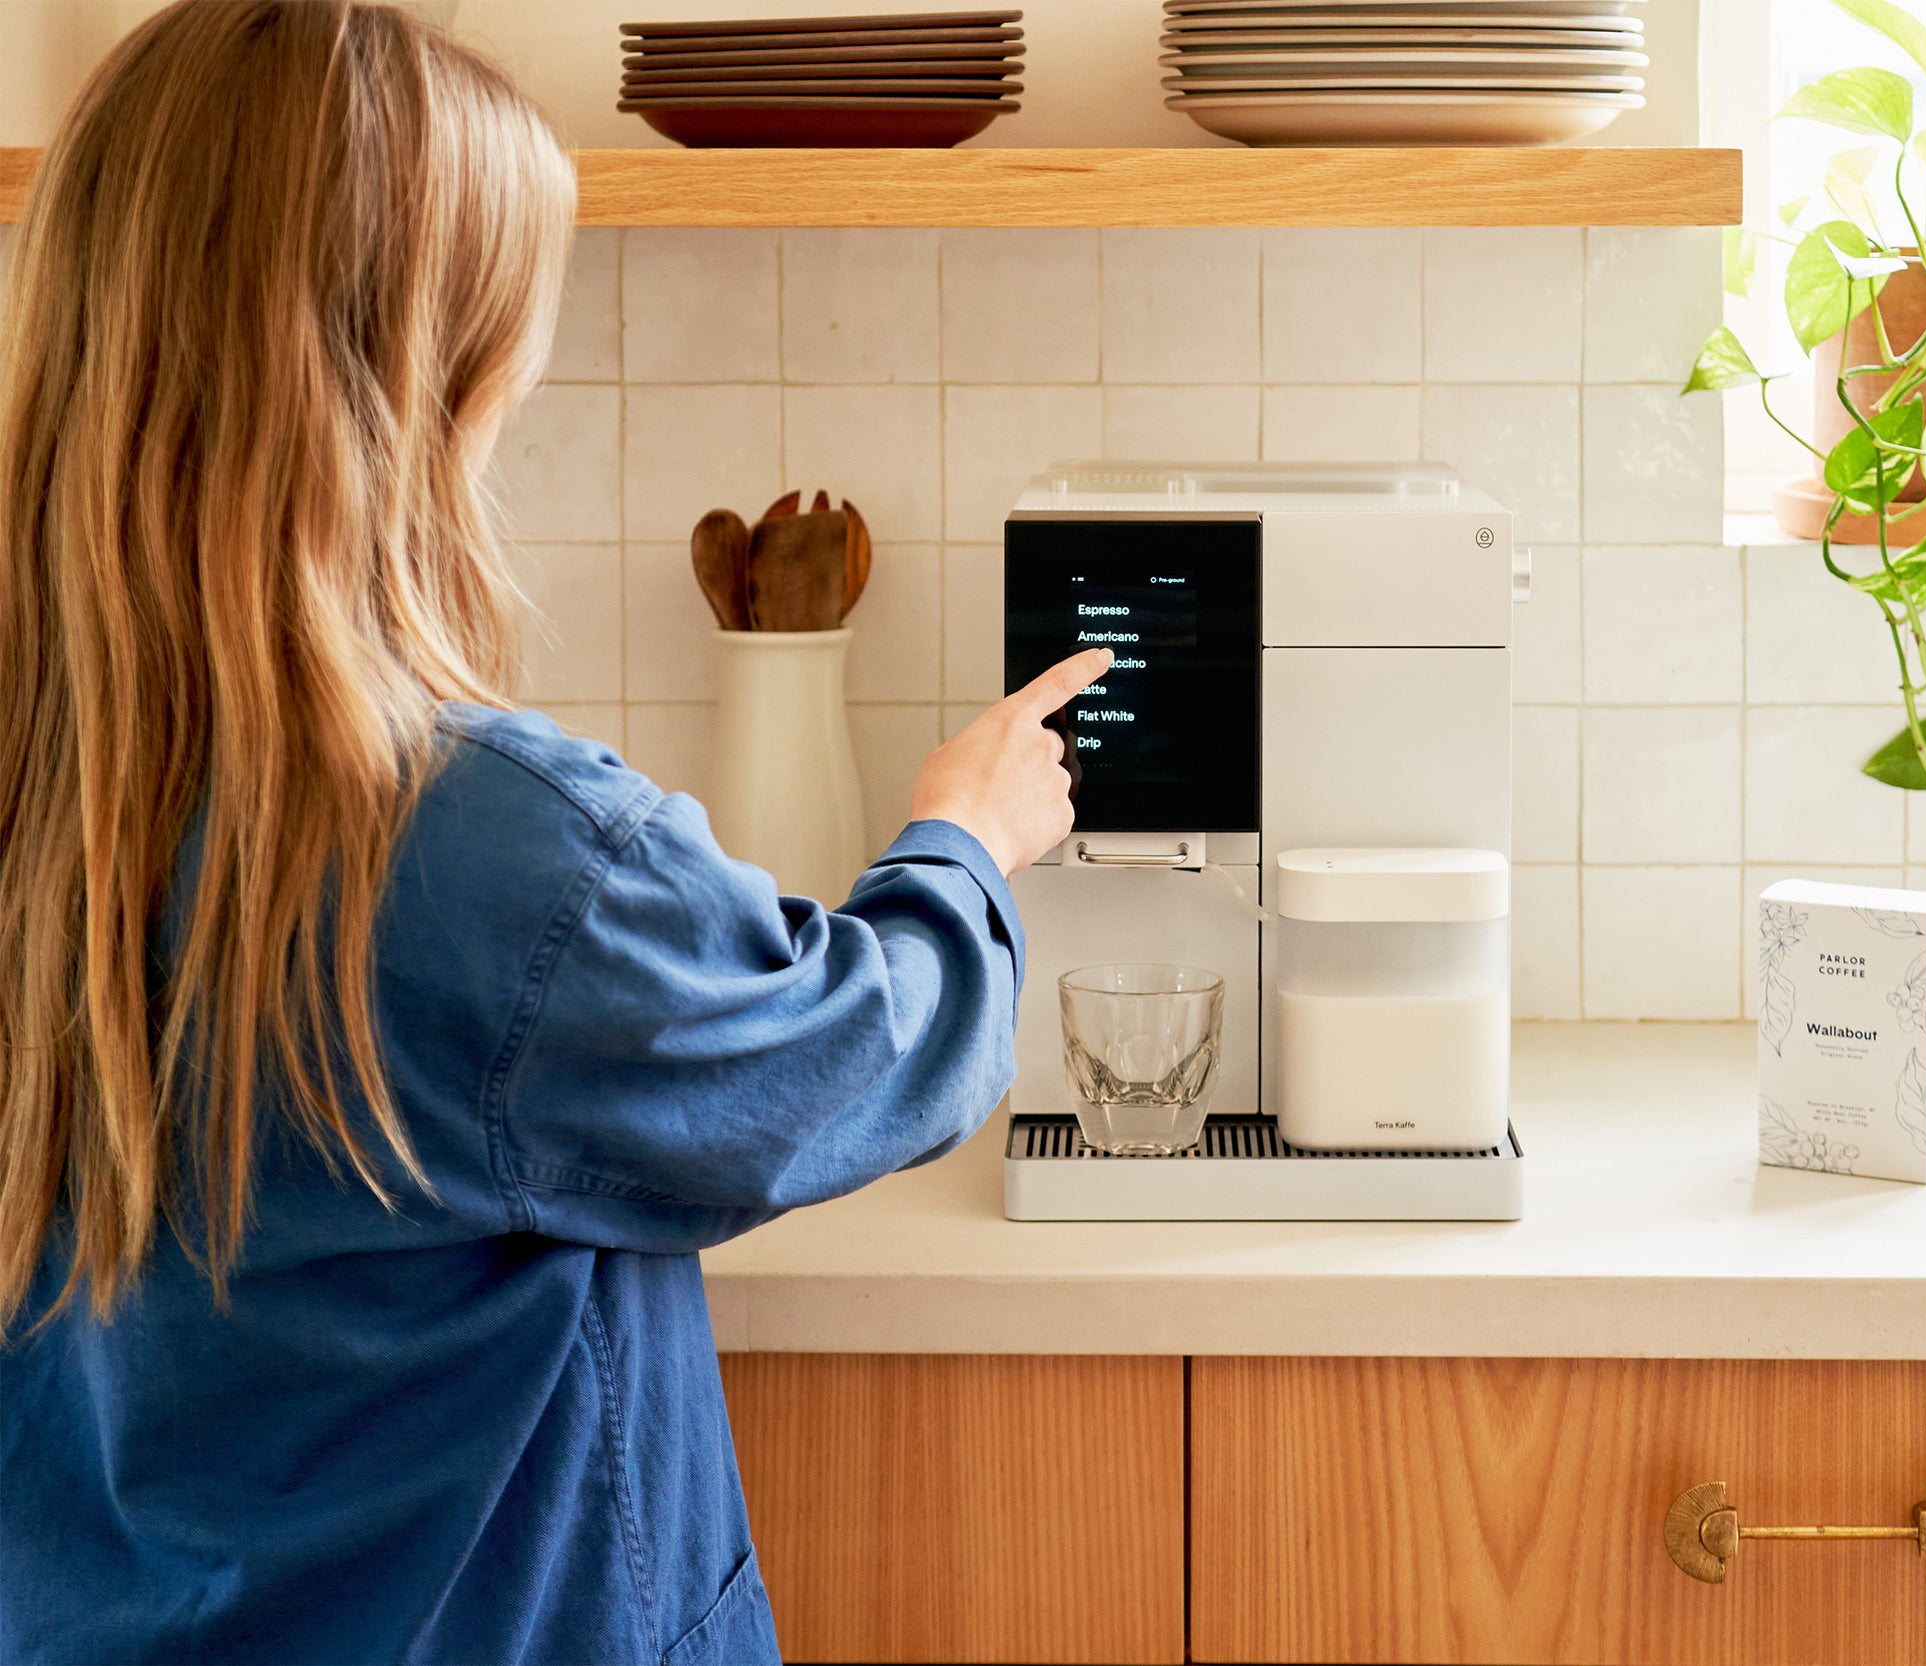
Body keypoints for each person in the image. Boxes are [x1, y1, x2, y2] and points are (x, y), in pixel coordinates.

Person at [0, 4, 1105, 1660]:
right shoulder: (480, 852)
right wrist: (962, 837)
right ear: (406, 377)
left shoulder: (42, 796)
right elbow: (839, 1063)